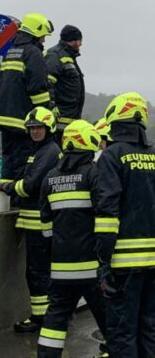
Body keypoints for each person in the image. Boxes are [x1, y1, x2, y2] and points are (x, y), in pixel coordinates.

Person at [37, 120, 108, 358]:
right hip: (91, 268)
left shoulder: (50, 178)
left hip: (60, 267)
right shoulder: (94, 173)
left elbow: (45, 224)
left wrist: (56, 248)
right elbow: (105, 215)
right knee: (108, 316)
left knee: (55, 319)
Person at [95, 92, 155, 358]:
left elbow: (107, 213)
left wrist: (104, 262)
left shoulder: (112, 156)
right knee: (149, 330)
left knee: (122, 333)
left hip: (123, 265)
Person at [0, 107, 61, 332]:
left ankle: (41, 319)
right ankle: (47, 317)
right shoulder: (41, 150)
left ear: (48, 128)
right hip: (36, 223)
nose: (34, 132)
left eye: (39, 128)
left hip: (40, 225)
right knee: (38, 272)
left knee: (38, 273)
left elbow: (31, 185)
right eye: (32, 128)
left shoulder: (49, 151)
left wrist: (8, 187)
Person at [0, 13, 54, 185]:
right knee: (24, 162)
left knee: (8, 161)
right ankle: (18, 201)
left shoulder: (10, 52)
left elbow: (3, 83)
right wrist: (45, 114)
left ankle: (6, 195)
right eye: (43, 36)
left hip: (5, 118)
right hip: (24, 120)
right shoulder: (33, 53)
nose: (43, 40)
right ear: (36, 32)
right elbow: (38, 88)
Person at [45, 25, 84, 146]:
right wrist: (51, 105)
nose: (81, 44)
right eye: (80, 41)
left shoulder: (68, 56)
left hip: (70, 119)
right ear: (74, 41)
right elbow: (47, 82)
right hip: (60, 119)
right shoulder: (55, 55)